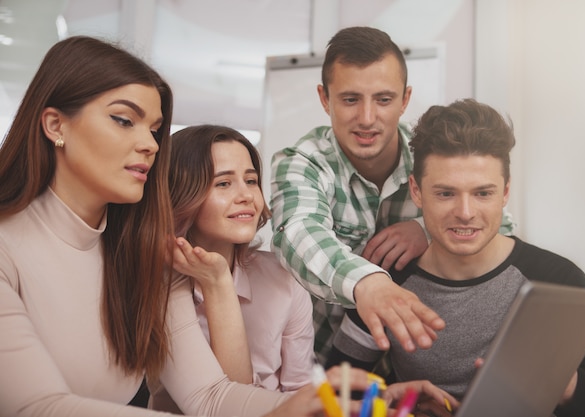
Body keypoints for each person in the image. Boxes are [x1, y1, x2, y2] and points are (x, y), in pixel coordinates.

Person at [0, 35, 370, 417]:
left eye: (155, 129)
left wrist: (333, 408)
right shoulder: (6, 249)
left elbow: (211, 397)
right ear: (55, 124)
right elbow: (35, 407)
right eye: (124, 120)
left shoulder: (146, 256)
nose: (150, 144)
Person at [326, 98, 585, 416]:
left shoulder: (559, 280)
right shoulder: (387, 284)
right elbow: (332, 397)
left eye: (483, 193)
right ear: (416, 191)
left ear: (505, 192)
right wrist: (392, 400)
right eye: (446, 193)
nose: (465, 213)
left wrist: (559, 382)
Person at [269, 26, 515, 363]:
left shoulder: (432, 157)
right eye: (350, 99)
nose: (367, 118)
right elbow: (297, 234)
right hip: (324, 365)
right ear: (325, 99)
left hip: (420, 365)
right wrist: (368, 284)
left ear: (405, 99)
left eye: (383, 99)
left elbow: (501, 225)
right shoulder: (301, 162)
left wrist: (426, 228)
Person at [149, 125, 315, 412]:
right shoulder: (158, 288)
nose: (246, 196)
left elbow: (299, 392)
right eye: (223, 184)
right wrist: (218, 284)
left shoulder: (285, 279)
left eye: (251, 181)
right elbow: (224, 403)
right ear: (180, 195)